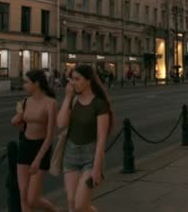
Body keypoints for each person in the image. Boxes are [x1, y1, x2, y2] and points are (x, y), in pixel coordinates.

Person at [57, 65, 113, 212]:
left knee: (80, 205)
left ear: (88, 81)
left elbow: (101, 138)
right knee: (71, 202)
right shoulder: (73, 100)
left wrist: (97, 168)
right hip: (71, 154)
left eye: (77, 79)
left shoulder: (99, 104)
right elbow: (61, 124)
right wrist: (68, 97)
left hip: (90, 156)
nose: (73, 83)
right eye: (71, 79)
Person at [10, 70, 59, 212]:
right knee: (23, 196)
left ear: (36, 83)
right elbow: (14, 121)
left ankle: (53, 210)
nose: (24, 85)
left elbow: (50, 135)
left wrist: (37, 160)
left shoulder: (51, 103)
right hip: (25, 146)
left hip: (41, 148)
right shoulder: (25, 102)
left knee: (32, 199)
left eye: (26, 82)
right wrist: (20, 113)